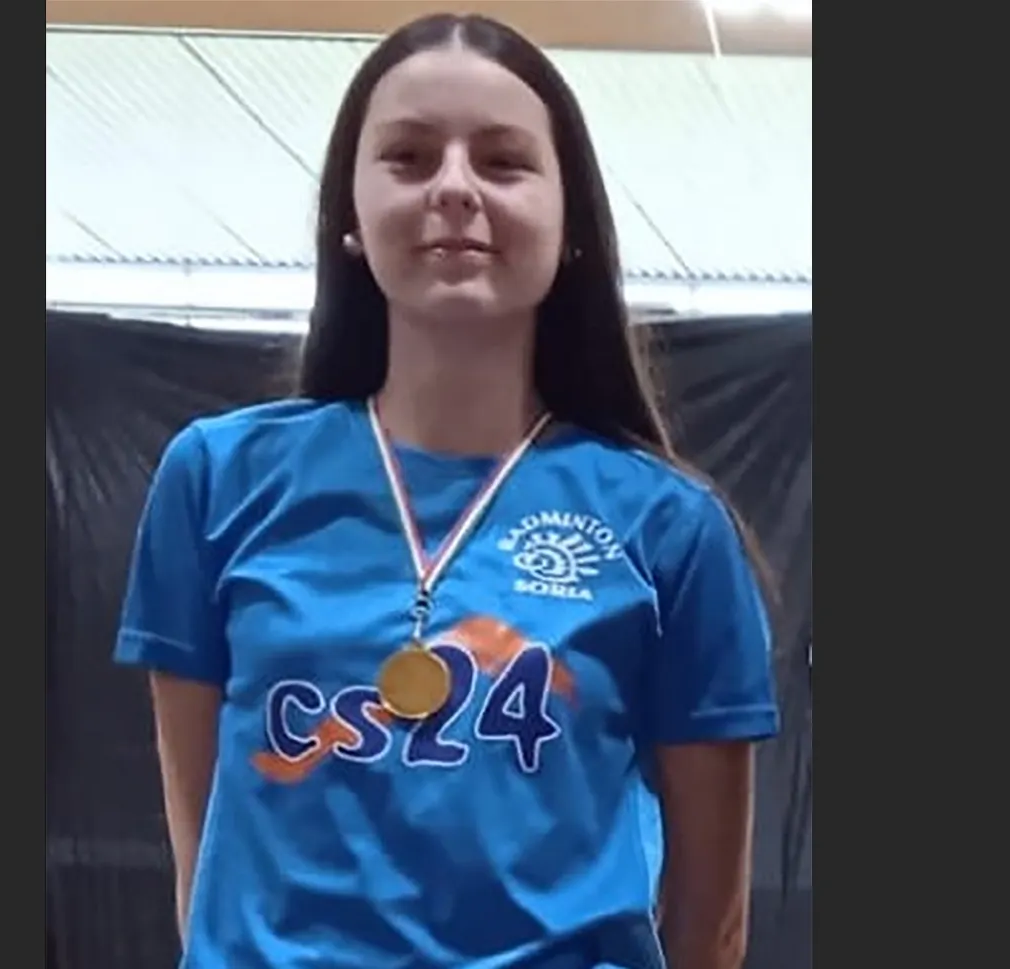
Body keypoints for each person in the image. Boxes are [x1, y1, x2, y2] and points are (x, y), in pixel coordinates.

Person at [114, 12, 780, 969]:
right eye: (411, 157)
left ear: (570, 224)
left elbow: (711, 931)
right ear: (351, 212)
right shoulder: (217, 481)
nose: (455, 188)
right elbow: (205, 872)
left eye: (503, 162)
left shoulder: (670, 530)